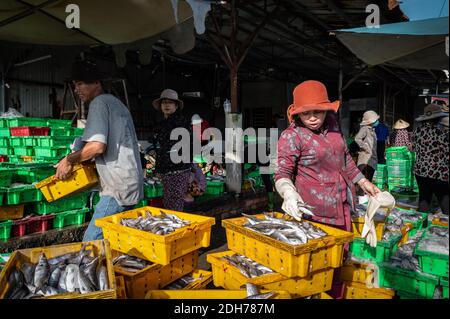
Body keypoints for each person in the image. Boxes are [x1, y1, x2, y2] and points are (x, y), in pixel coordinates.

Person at [55, 60, 143, 241]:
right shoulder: (115, 103)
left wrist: (69, 160)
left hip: (117, 188)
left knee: (90, 244)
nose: (77, 89)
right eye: (75, 85)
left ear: (96, 83)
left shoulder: (99, 103)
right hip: (130, 182)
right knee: (116, 243)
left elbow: (97, 146)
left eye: (80, 84)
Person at [275, 80, 380, 231]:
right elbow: (282, 172)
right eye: (306, 113)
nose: (312, 118)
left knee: (342, 252)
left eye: (317, 111)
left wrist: (363, 182)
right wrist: (288, 192)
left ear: (325, 110)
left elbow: (345, 159)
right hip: (314, 214)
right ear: (298, 113)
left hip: (342, 207)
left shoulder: (333, 126)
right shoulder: (292, 136)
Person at [153, 89, 192, 211]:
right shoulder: (164, 123)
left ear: (176, 106)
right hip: (167, 170)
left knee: (174, 202)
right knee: (170, 201)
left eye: (170, 102)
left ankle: (177, 228)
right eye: (164, 102)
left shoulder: (179, 121)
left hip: (177, 170)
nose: (167, 105)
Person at [413, 104, 449, 214]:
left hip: (420, 172)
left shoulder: (417, 131)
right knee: (445, 202)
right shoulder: (440, 133)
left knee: (424, 200)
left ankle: (421, 224)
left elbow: (414, 148)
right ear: (437, 118)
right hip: (437, 173)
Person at [355, 110, 379, 183]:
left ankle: (366, 194)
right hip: (365, 159)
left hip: (372, 158)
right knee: (364, 179)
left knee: (369, 179)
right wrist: (365, 147)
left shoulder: (372, 130)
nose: (377, 121)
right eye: (376, 120)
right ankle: (361, 193)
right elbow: (357, 138)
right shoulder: (364, 128)